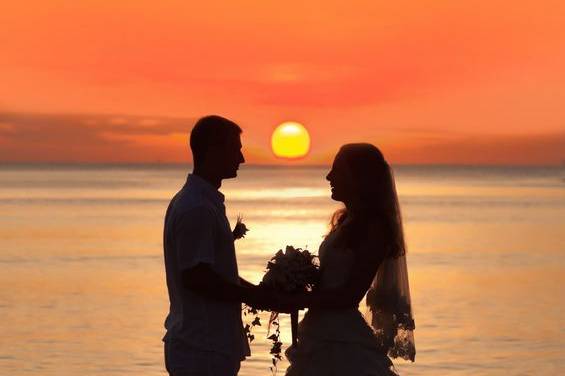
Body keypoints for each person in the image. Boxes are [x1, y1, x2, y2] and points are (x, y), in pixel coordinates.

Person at [282, 143, 416, 376]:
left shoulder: (375, 229)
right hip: (318, 328)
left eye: (337, 171)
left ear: (358, 178)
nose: (329, 176)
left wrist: (301, 299)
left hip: (341, 338)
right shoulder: (345, 221)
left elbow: (350, 294)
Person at [162, 115, 270, 376]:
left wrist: (258, 292)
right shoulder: (197, 207)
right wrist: (254, 296)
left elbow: (215, 274)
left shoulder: (200, 202)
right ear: (213, 150)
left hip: (207, 345)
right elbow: (197, 277)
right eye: (236, 149)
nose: (241, 159)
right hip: (201, 348)